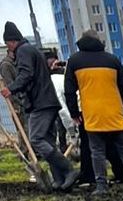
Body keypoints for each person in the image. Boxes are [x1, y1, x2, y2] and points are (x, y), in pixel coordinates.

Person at [1, 21, 78, 190]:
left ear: (12, 41)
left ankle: (68, 169)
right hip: (48, 101)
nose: (9, 48)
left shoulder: (23, 51)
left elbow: (26, 74)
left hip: (39, 103)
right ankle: (59, 180)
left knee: (36, 138)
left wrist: (10, 89)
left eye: (7, 44)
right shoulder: (33, 51)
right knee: (48, 141)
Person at [64, 29, 123, 195]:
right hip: (115, 114)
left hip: (92, 115)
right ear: (99, 42)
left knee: (97, 152)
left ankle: (101, 186)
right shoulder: (111, 60)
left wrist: (74, 113)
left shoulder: (74, 61)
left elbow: (69, 90)